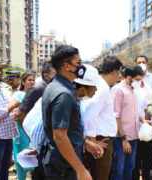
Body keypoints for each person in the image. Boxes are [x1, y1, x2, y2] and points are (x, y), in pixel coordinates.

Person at [42, 45, 102, 180]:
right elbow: (60, 136)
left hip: (61, 162)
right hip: (64, 167)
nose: (82, 66)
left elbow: (66, 131)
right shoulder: (63, 94)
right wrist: (80, 169)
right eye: (78, 63)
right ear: (67, 66)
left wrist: (84, 142)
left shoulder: (54, 86)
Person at [81, 56, 123, 180]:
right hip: (100, 142)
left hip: (99, 139)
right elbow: (89, 114)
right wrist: (92, 143)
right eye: (118, 73)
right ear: (114, 72)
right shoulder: (101, 88)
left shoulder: (100, 85)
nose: (118, 77)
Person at [13, 62, 55, 180]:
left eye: (33, 79)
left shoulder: (48, 88)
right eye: (54, 73)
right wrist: (31, 135)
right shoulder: (37, 89)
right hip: (30, 134)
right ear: (47, 75)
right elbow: (21, 114)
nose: (32, 82)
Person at [110, 65, 146, 180]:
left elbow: (133, 112)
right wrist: (124, 139)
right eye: (137, 80)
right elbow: (116, 116)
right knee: (119, 169)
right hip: (122, 138)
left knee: (130, 167)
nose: (139, 82)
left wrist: (144, 120)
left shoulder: (132, 90)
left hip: (133, 136)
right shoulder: (118, 90)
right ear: (130, 77)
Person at [11, 72, 35, 180]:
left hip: (33, 131)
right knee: (20, 157)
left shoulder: (36, 95)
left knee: (34, 157)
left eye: (33, 80)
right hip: (21, 130)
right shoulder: (18, 95)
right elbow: (15, 113)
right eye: (29, 80)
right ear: (23, 82)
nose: (32, 82)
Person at [132, 64, 152, 180]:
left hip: (144, 130)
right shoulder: (131, 88)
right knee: (135, 160)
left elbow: (148, 109)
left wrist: (146, 125)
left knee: (146, 159)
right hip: (133, 130)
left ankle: (146, 176)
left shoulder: (148, 88)